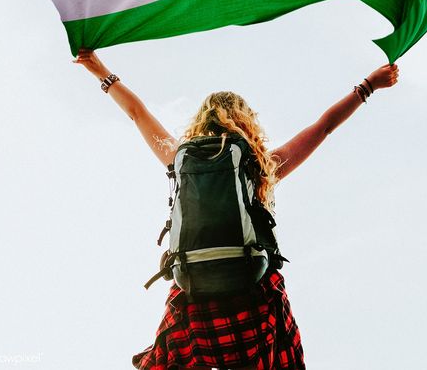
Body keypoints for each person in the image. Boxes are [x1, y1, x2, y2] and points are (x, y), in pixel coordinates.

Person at [74, 49, 399, 370]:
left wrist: (101, 71)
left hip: (192, 304)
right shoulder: (259, 164)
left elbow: (137, 112)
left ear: (201, 122)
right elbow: (324, 126)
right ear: (245, 123)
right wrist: (368, 85)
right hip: (255, 302)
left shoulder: (179, 158)